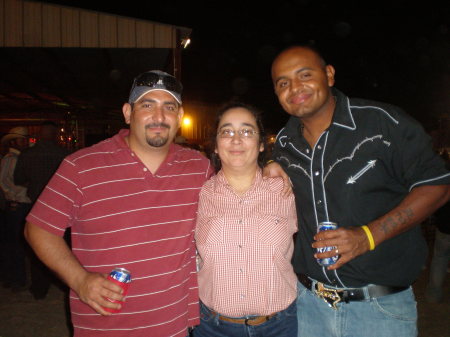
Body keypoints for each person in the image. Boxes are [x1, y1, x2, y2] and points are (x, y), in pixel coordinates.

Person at [265, 45, 450, 337]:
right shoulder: (285, 145)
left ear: (329, 75)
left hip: (379, 310)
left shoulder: (382, 123)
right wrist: (269, 164)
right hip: (309, 308)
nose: (295, 87)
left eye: (305, 75)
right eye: (283, 83)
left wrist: (368, 236)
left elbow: (438, 184)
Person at [24, 70, 213, 337]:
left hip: (174, 325)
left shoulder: (199, 168)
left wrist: (275, 170)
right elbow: (39, 229)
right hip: (104, 326)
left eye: (168, 107)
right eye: (147, 105)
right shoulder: (81, 166)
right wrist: (80, 280)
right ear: (128, 112)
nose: (159, 117)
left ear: (179, 117)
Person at [193, 102, 298, 337]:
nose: (236, 139)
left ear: (261, 144)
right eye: (227, 131)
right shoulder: (198, 194)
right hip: (213, 327)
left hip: (280, 326)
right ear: (217, 146)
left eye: (247, 131)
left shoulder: (285, 189)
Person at [14, 120, 68, 300]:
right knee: (62, 248)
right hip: (63, 208)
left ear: (40, 134)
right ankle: (65, 283)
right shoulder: (65, 155)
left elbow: (18, 179)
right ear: (54, 134)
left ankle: (39, 288)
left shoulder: (28, 154)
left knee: (38, 246)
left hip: (36, 205)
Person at [0, 126, 32, 291]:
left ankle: (14, 277)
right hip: (17, 203)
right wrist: (22, 188)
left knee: (15, 243)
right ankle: (15, 278)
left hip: (20, 203)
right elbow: (4, 183)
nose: (25, 142)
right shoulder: (11, 159)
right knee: (15, 243)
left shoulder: (19, 158)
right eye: (22, 139)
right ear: (14, 142)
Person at [425, 151, 450, 303]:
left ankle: (433, 294)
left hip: (445, 226)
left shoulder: (443, 179)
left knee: (440, 258)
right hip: (444, 226)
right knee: (440, 257)